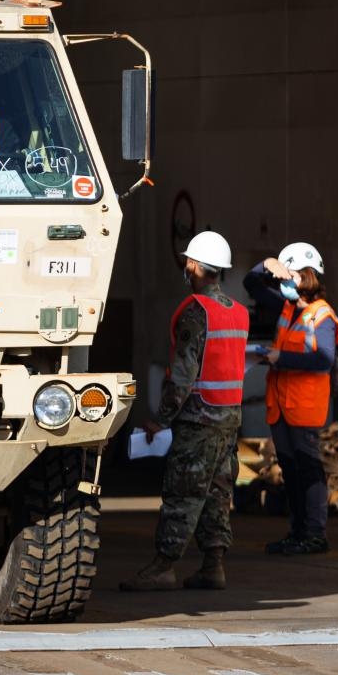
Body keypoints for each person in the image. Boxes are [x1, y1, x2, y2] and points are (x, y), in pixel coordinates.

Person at [120, 231, 249, 592]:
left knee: (183, 493)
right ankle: (213, 565)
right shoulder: (239, 312)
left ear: (193, 265)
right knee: (218, 493)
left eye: (188, 261)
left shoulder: (196, 312)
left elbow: (183, 375)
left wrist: (159, 419)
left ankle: (164, 566)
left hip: (199, 420)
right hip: (229, 421)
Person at [245, 241, 338, 555]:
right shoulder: (287, 307)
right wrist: (267, 264)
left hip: (304, 407)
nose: (282, 284)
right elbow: (251, 284)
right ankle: (297, 532)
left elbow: (323, 359)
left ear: (304, 277)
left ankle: (315, 534)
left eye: (288, 277)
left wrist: (280, 357)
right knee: (290, 470)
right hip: (282, 406)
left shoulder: (322, 316)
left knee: (308, 469)